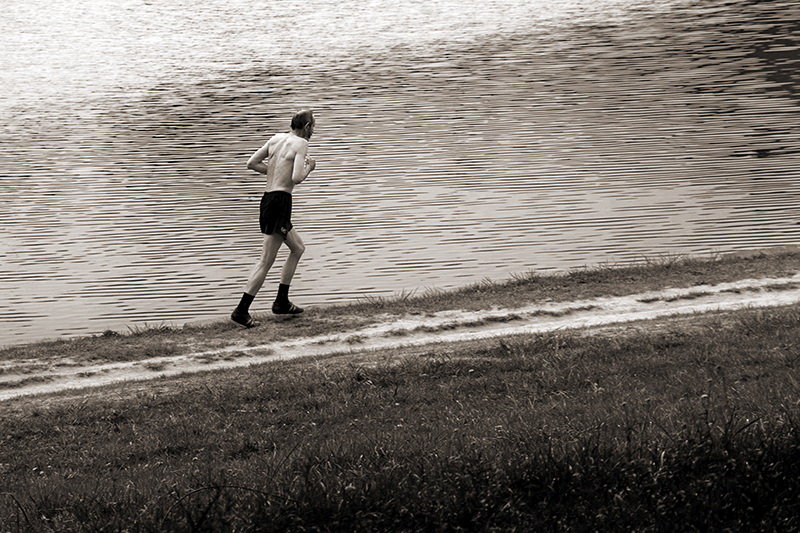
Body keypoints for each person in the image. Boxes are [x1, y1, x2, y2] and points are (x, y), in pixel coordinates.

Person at [231, 109, 316, 328]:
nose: (313, 131)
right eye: (313, 126)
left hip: (269, 199)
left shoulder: (276, 138)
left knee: (298, 248)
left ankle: (281, 301)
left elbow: (251, 163)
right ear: (306, 127)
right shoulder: (301, 144)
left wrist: (276, 172)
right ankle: (241, 310)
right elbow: (296, 178)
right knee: (266, 260)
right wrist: (309, 168)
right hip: (280, 203)